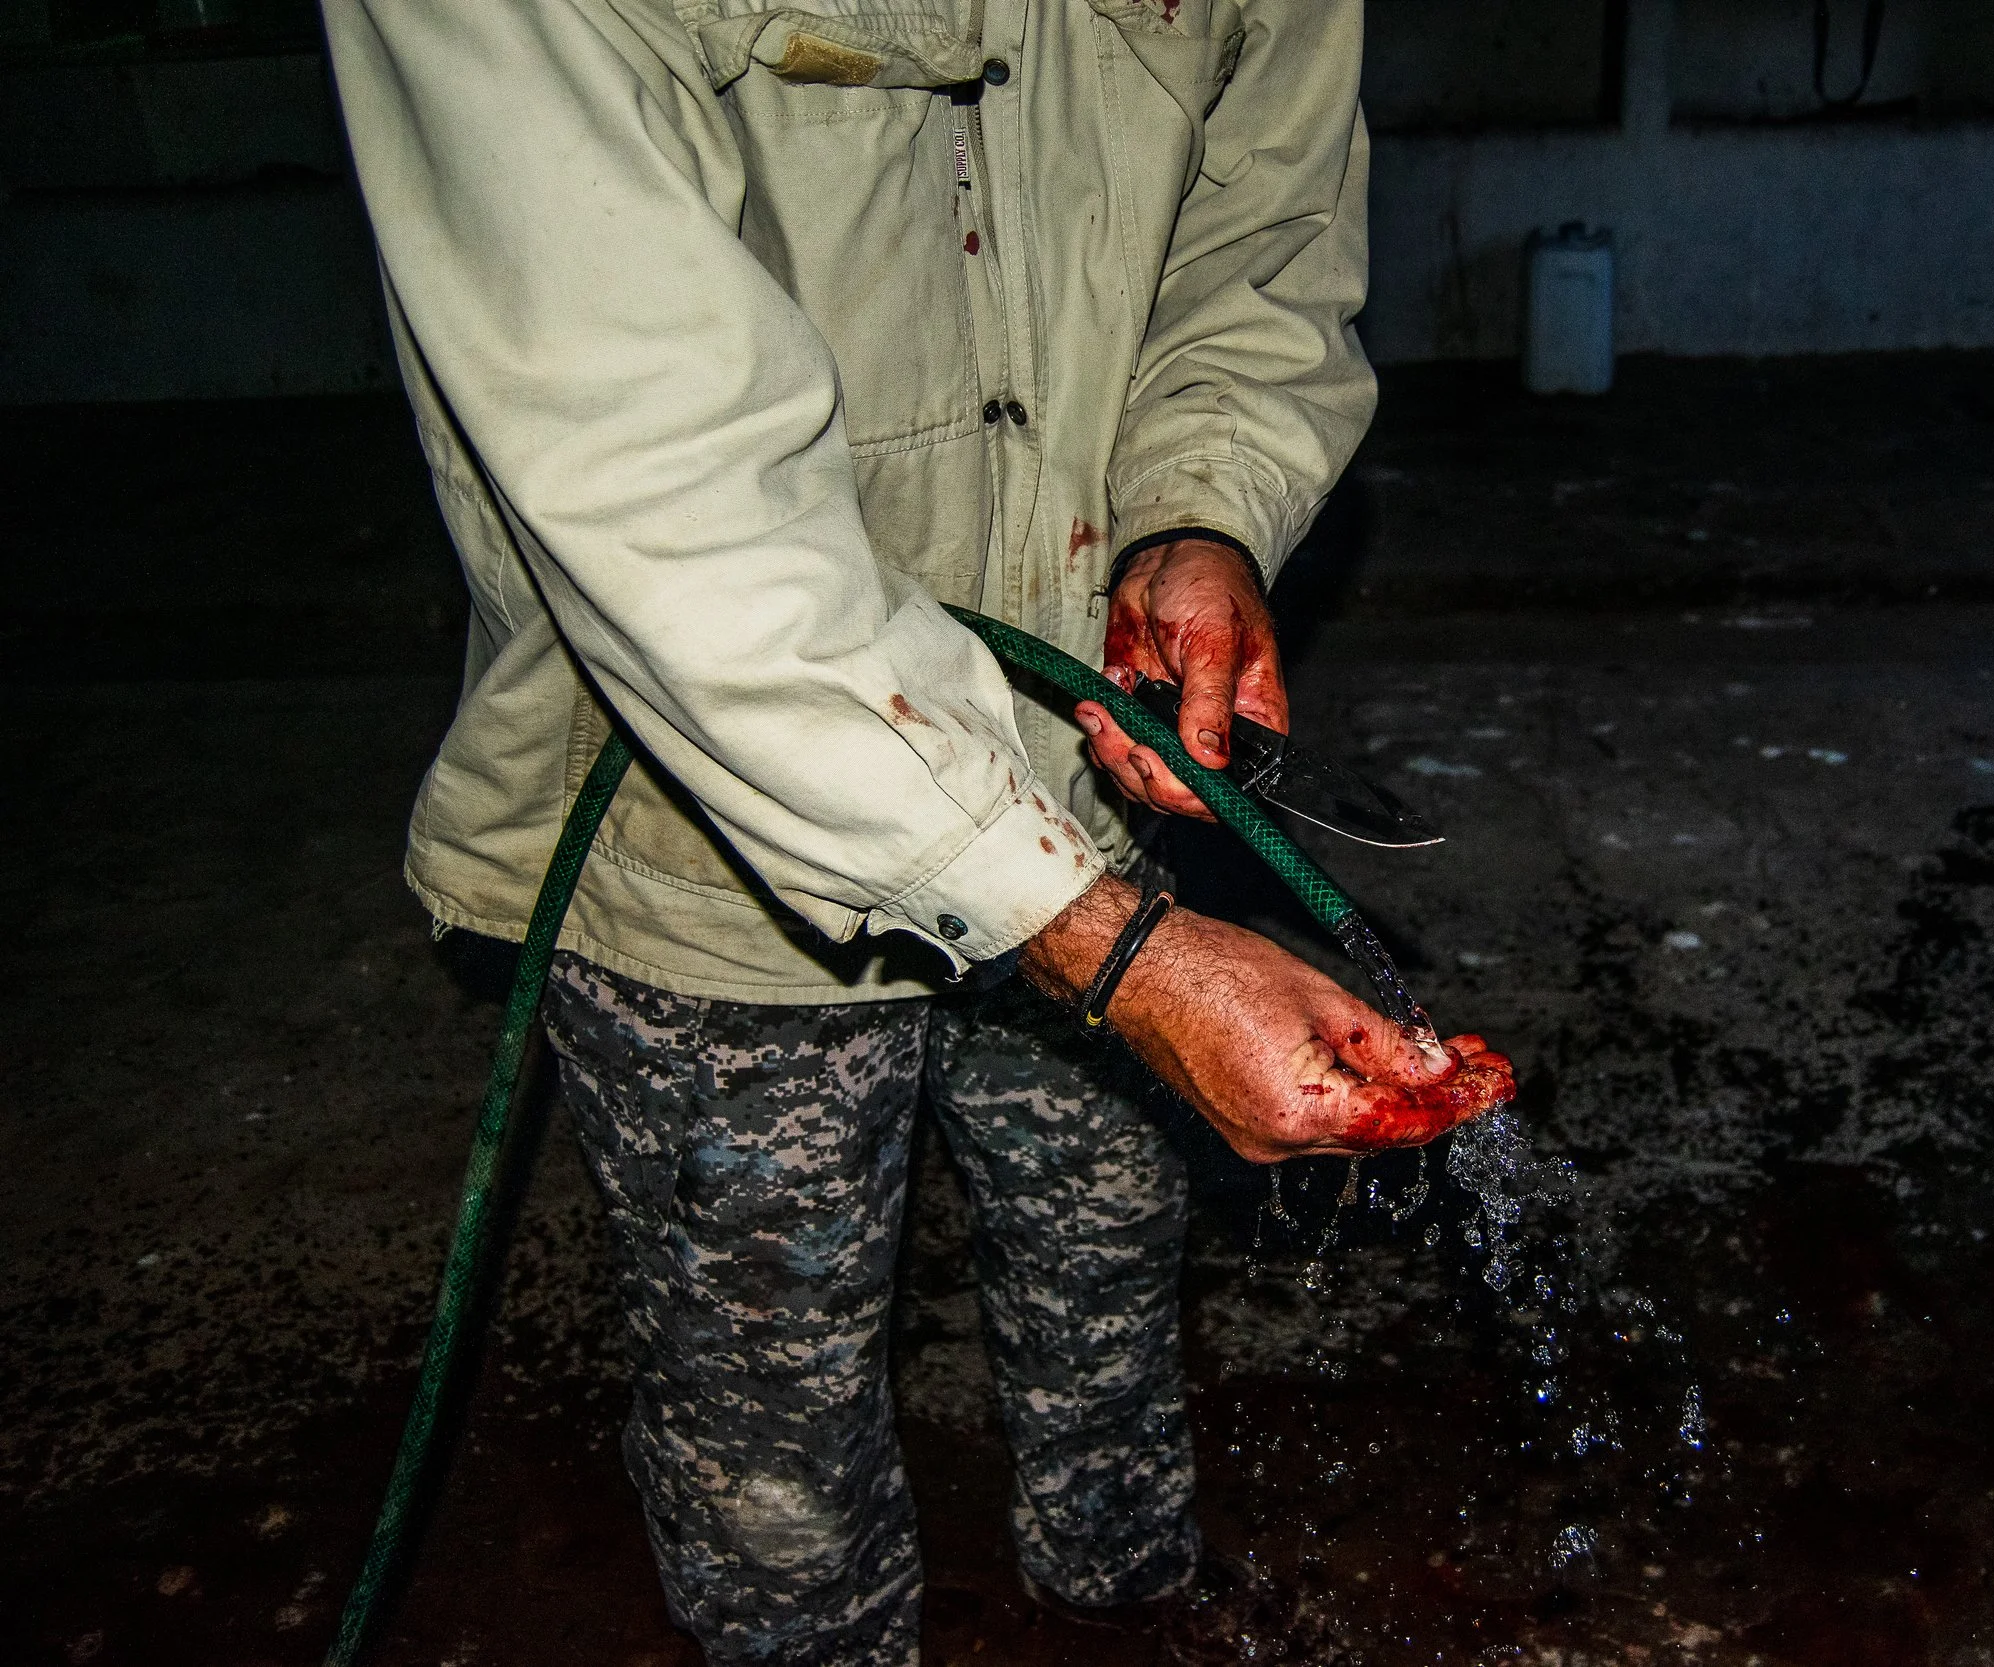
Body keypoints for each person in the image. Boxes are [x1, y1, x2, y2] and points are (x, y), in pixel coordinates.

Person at [319, 0, 1501, 1659]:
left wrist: (1197, 510)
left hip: (1077, 738)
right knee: (774, 1437)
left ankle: (1119, 1590)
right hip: (706, 801)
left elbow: (1262, 235)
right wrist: (1134, 958)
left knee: (1106, 1274)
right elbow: (658, 478)